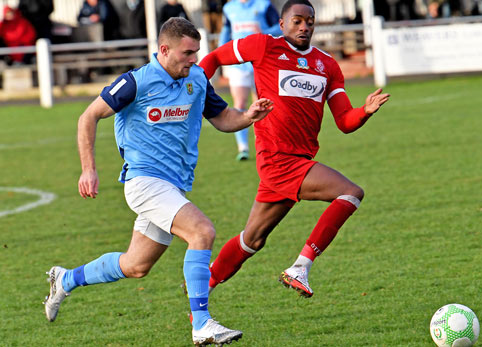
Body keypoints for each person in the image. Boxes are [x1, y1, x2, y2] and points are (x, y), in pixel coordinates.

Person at [43, 17, 272, 346]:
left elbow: (222, 118)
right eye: (188, 53)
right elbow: (88, 116)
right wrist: (88, 168)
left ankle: (66, 279)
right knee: (202, 231)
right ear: (164, 50)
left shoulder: (196, 79)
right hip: (144, 182)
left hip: (172, 185)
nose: (195, 59)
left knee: (135, 265)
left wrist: (247, 116)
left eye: (197, 52)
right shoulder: (136, 82)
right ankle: (202, 324)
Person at [199, 0, 390, 298]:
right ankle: (300, 267)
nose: (304, 27)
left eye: (309, 22)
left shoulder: (327, 65)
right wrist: (197, 90)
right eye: (297, 21)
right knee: (351, 193)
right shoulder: (263, 46)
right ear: (282, 23)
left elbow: (344, 121)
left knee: (253, 240)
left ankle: (202, 287)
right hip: (276, 159)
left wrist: (364, 111)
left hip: (298, 160)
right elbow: (214, 58)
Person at [220, 0, 282, 161]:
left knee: (263, 105)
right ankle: (243, 148)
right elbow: (225, 31)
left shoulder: (264, 5)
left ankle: (264, 145)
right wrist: (220, 54)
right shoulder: (229, 8)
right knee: (239, 104)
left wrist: (264, 31)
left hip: (261, 63)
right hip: (238, 65)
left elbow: (280, 27)